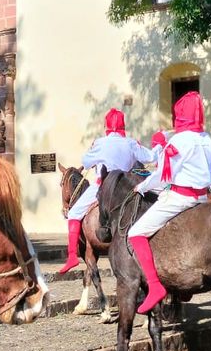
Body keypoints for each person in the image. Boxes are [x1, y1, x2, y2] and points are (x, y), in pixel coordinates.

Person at [126, 92, 211, 314]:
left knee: (135, 233)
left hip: (181, 198)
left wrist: (142, 187)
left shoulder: (179, 141)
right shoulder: (207, 138)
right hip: (202, 197)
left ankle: (155, 286)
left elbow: (163, 175)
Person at [58, 108, 153, 274]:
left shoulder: (100, 143)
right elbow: (150, 157)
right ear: (123, 125)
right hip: (128, 186)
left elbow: (85, 162)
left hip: (103, 186)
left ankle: (72, 255)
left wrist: (93, 150)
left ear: (106, 126)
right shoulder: (131, 143)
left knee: (73, 213)